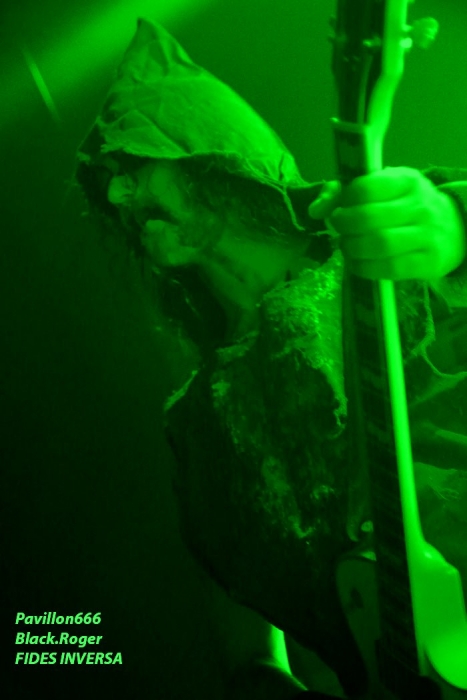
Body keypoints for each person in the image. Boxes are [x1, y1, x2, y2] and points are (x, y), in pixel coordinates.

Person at [73, 17, 467, 700]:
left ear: (212, 148)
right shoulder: (198, 419)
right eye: (108, 182)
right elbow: (239, 602)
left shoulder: (372, 240)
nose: (117, 196)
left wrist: (452, 223)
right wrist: (259, 672)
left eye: (135, 164)